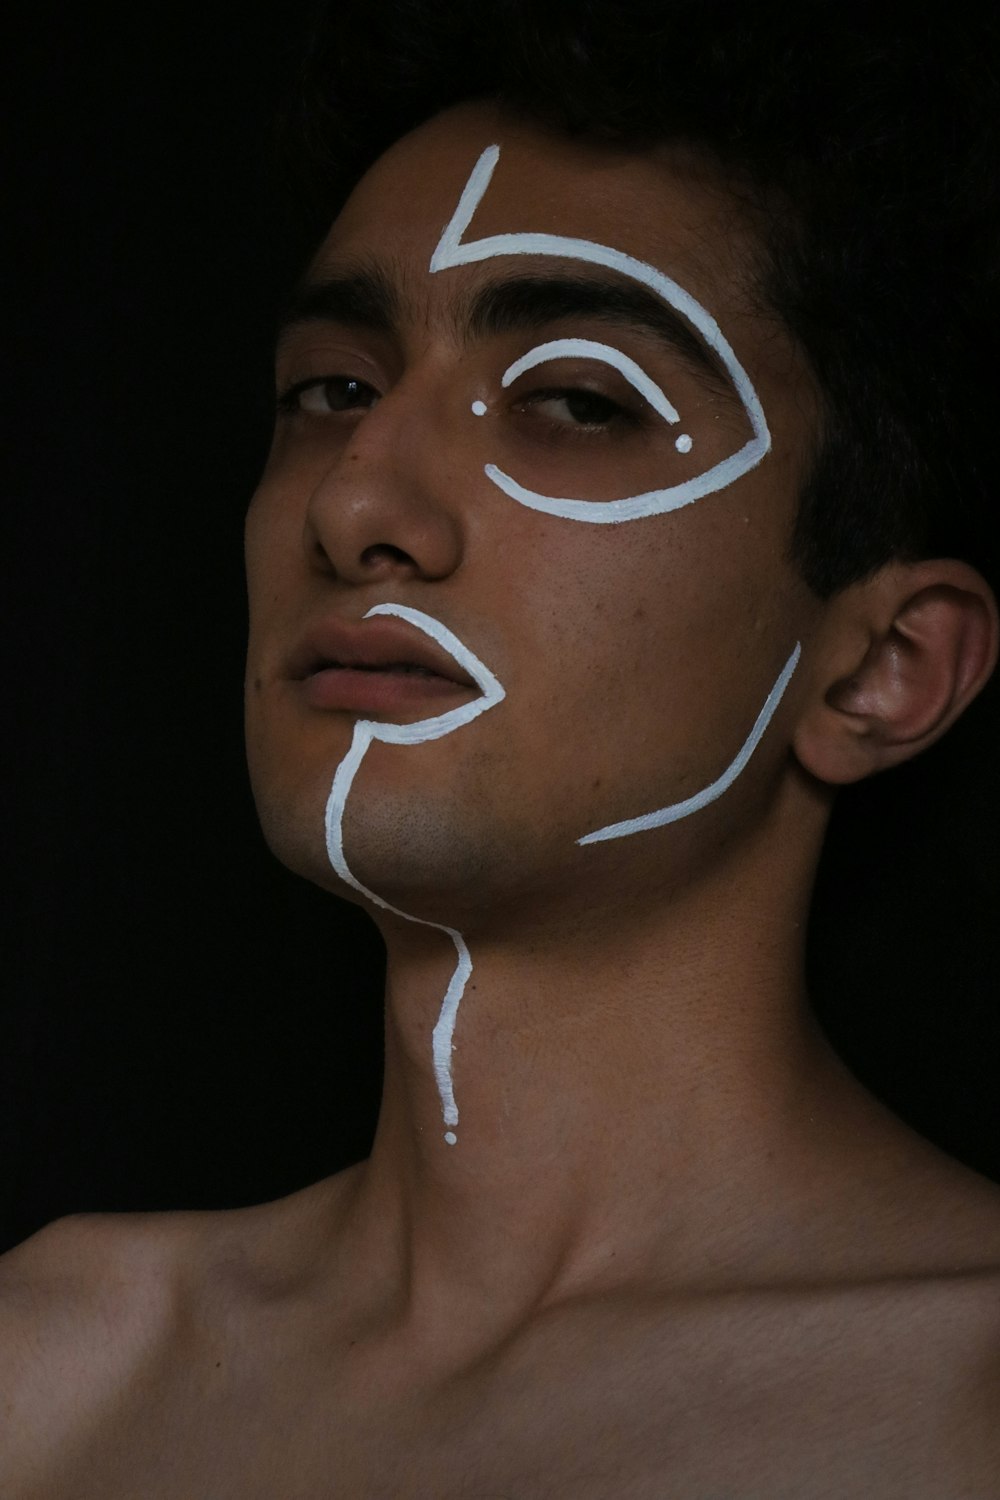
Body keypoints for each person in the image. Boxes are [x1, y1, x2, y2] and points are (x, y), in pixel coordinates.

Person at [3, 2, 999, 1494]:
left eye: (576, 403)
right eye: (331, 390)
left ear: (881, 670)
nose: (353, 503)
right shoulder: (58, 1372)